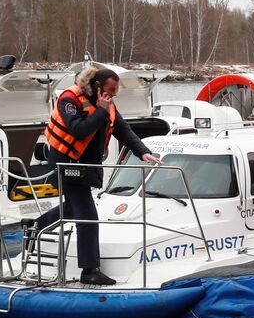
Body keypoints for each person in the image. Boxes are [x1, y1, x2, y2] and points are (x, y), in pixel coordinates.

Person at [34, 66, 160, 286]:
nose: (111, 97)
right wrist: (101, 109)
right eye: (109, 92)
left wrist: (143, 151)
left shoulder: (107, 104)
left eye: (114, 93)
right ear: (96, 86)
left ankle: (36, 226)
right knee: (88, 216)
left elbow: (123, 129)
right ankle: (89, 270)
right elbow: (78, 130)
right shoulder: (69, 100)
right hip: (66, 165)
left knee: (75, 208)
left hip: (85, 166)